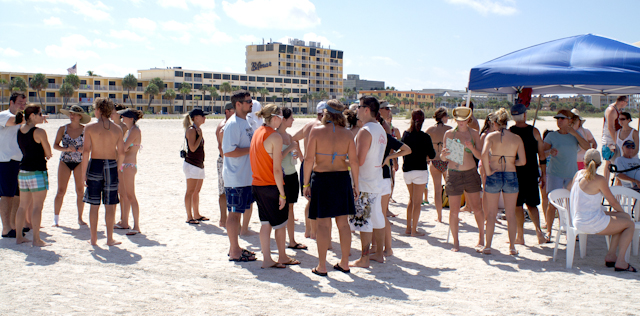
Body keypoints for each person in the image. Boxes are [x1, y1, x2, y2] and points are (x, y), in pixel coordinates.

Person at [303, 100, 359, 276]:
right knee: (343, 224)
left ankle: (322, 266)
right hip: (342, 180)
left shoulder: (317, 131)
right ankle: (344, 263)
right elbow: (355, 161)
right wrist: (356, 184)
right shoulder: (348, 134)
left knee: (323, 226)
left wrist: (305, 184)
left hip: (322, 179)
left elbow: (309, 159)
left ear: (326, 113)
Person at [250, 104, 300, 269]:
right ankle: (283, 256)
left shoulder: (258, 132)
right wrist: (282, 194)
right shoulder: (274, 136)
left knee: (265, 224)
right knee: (280, 224)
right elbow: (277, 169)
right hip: (271, 185)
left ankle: (267, 259)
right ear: (276, 117)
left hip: (257, 184)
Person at [569, 149, 636, 272]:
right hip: (591, 221)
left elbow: (570, 190)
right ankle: (621, 261)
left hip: (579, 219)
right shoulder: (599, 179)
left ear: (584, 162)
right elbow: (613, 202)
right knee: (629, 224)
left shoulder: (578, 174)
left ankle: (611, 256)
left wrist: (622, 215)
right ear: (600, 163)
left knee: (623, 220)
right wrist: (624, 213)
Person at [348, 96, 388, 267]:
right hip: (376, 180)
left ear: (366, 109)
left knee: (364, 221)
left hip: (364, 181)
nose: (356, 110)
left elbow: (359, 160)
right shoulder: (380, 128)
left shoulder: (365, 131)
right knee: (378, 218)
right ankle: (379, 253)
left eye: (358, 107)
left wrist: (344, 160)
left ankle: (364, 258)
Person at [480, 108, 526, 255]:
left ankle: (487, 246)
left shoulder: (491, 137)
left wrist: (488, 171)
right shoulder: (516, 138)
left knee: (492, 214)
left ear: (495, 123)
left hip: (494, 174)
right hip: (511, 174)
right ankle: (512, 247)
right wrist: (512, 162)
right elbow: (523, 161)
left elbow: (483, 155)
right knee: (511, 214)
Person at [81, 97, 125, 246]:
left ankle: (93, 239)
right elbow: (122, 153)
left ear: (98, 110)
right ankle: (109, 238)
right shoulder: (117, 129)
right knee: (110, 204)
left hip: (95, 164)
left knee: (94, 204)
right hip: (111, 165)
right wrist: (118, 170)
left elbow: (86, 152)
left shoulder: (90, 128)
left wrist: (83, 174)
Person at [441, 107, 485, 252]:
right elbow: (443, 158)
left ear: (468, 119)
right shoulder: (449, 134)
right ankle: (456, 242)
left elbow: (480, 156)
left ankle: (481, 238)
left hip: (470, 173)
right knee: (454, 211)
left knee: (477, 208)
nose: (461, 122)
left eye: (464, 119)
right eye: (459, 120)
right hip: (453, 173)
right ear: (455, 120)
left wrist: (472, 148)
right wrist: (444, 154)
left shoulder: (474, 134)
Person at [543, 109, 590, 236]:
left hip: (571, 174)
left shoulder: (575, 135)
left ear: (570, 120)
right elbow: (541, 152)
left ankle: (571, 230)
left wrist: (575, 134)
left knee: (571, 203)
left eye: (562, 118)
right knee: (552, 203)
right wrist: (549, 152)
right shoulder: (552, 135)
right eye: (557, 118)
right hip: (555, 173)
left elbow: (588, 147)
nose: (559, 121)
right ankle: (548, 231)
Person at [222, 90, 256, 262]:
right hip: (235, 177)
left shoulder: (246, 122)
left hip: (245, 177)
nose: (251, 103)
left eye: (251, 100)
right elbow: (228, 152)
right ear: (238, 104)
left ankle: (234, 247)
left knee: (239, 212)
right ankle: (235, 251)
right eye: (247, 101)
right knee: (234, 214)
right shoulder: (233, 124)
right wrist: (253, 149)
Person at [509, 103, 548, 245]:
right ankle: (538, 232)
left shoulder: (510, 131)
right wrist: (543, 174)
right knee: (532, 204)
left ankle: (520, 236)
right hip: (531, 172)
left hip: (515, 172)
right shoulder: (535, 131)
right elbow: (542, 156)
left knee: (517, 205)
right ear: (524, 115)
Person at [15, 105, 52, 246]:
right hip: (37, 171)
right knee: (37, 206)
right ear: (32, 116)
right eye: (40, 114)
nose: (42, 116)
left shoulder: (20, 130)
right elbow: (48, 152)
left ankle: (19, 237)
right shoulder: (39, 132)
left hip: (23, 171)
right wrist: (47, 154)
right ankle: (36, 239)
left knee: (22, 206)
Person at [291, 101, 327, 239]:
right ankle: (313, 232)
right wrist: (300, 155)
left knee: (311, 200)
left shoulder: (308, 125)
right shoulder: (321, 127)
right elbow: (293, 140)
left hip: (307, 164)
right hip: (315, 166)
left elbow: (293, 139)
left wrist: (301, 156)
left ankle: (308, 230)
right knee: (314, 201)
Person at [53, 105, 91, 227]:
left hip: (80, 162)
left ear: (80, 116)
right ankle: (56, 219)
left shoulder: (86, 130)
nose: (71, 116)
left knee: (80, 191)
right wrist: (66, 148)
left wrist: (83, 150)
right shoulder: (62, 129)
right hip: (65, 161)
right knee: (60, 191)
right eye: (70, 113)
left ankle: (80, 218)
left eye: (74, 114)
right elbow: (55, 145)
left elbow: (91, 147)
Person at [401, 109, 436, 236]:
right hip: (420, 170)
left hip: (407, 170)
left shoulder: (406, 134)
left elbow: (401, 150)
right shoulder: (425, 137)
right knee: (417, 202)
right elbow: (432, 154)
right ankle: (414, 230)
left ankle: (408, 228)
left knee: (411, 200)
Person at [277, 108, 306, 250]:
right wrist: (289, 149)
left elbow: (295, 157)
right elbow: (275, 160)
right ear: (283, 119)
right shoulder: (275, 136)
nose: (293, 120)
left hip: (292, 175)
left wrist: (295, 153)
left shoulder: (290, 136)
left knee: (291, 209)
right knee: (279, 209)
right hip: (280, 176)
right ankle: (281, 243)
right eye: (291, 118)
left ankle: (292, 241)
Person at [1, 92, 27, 238]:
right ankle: (6, 229)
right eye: (19, 103)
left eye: (24, 103)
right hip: (5, 160)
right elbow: (14, 121)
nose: (22, 106)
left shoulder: (21, 118)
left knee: (17, 195)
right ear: (11, 102)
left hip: (18, 161)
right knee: (6, 195)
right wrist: (32, 118)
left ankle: (12, 225)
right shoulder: (4, 115)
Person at [118, 109, 143, 235]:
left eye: (124, 116)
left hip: (129, 165)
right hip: (123, 164)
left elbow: (123, 147)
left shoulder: (135, 130)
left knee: (131, 195)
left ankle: (137, 226)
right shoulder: (128, 131)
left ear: (131, 118)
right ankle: (124, 222)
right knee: (124, 195)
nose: (122, 117)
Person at [426, 107, 452, 222]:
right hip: (446, 161)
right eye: (447, 116)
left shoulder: (430, 130)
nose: (448, 118)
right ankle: (453, 214)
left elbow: (424, 144)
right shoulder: (450, 130)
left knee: (437, 190)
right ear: (443, 117)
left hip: (435, 161)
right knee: (450, 189)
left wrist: (427, 157)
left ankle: (439, 216)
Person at [183, 108, 208, 225]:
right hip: (192, 164)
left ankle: (197, 214)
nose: (205, 118)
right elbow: (192, 148)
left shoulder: (197, 129)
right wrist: (200, 136)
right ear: (196, 118)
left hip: (198, 164)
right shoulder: (191, 130)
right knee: (190, 191)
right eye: (203, 116)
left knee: (196, 191)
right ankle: (189, 216)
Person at [216, 103, 235, 227]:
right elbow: (221, 147)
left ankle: (224, 219)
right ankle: (224, 219)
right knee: (225, 191)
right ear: (227, 111)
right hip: (225, 161)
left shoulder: (225, 124)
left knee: (224, 191)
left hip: (224, 160)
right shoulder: (225, 125)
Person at [602, 95, 628, 181]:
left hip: (616, 138)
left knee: (618, 163)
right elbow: (610, 127)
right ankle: (605, 184)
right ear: (622, 102)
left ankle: (616, 184)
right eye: (626, 102)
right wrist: (617, 142)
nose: (627, 104)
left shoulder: (618, 110)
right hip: (610, 140)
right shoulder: (612, 110)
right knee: (609, 162)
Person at [112, 104, 130, 229]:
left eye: (112, 112)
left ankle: (124, 220)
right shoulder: (110, 126)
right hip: (112, 161)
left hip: (121, 162)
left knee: (123, 193)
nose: (111, 114)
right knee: (114, 192)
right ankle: (113, 219)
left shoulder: (124, 128)